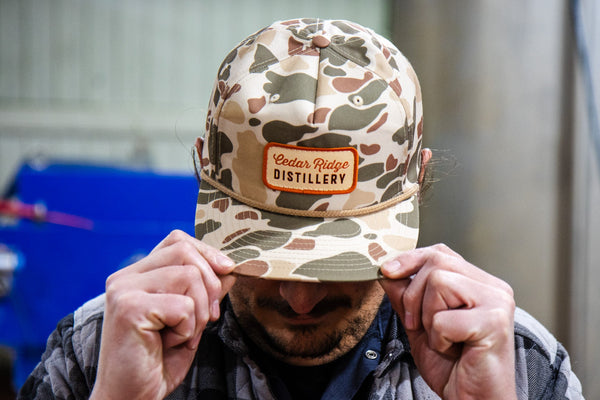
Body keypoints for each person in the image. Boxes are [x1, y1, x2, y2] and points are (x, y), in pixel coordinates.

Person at [19, 18, 583, 400]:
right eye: (262, 254)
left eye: (341, 262)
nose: (300, 298)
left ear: (416, 182)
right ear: (203, 171)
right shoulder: (99, 354)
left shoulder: (516, 365)